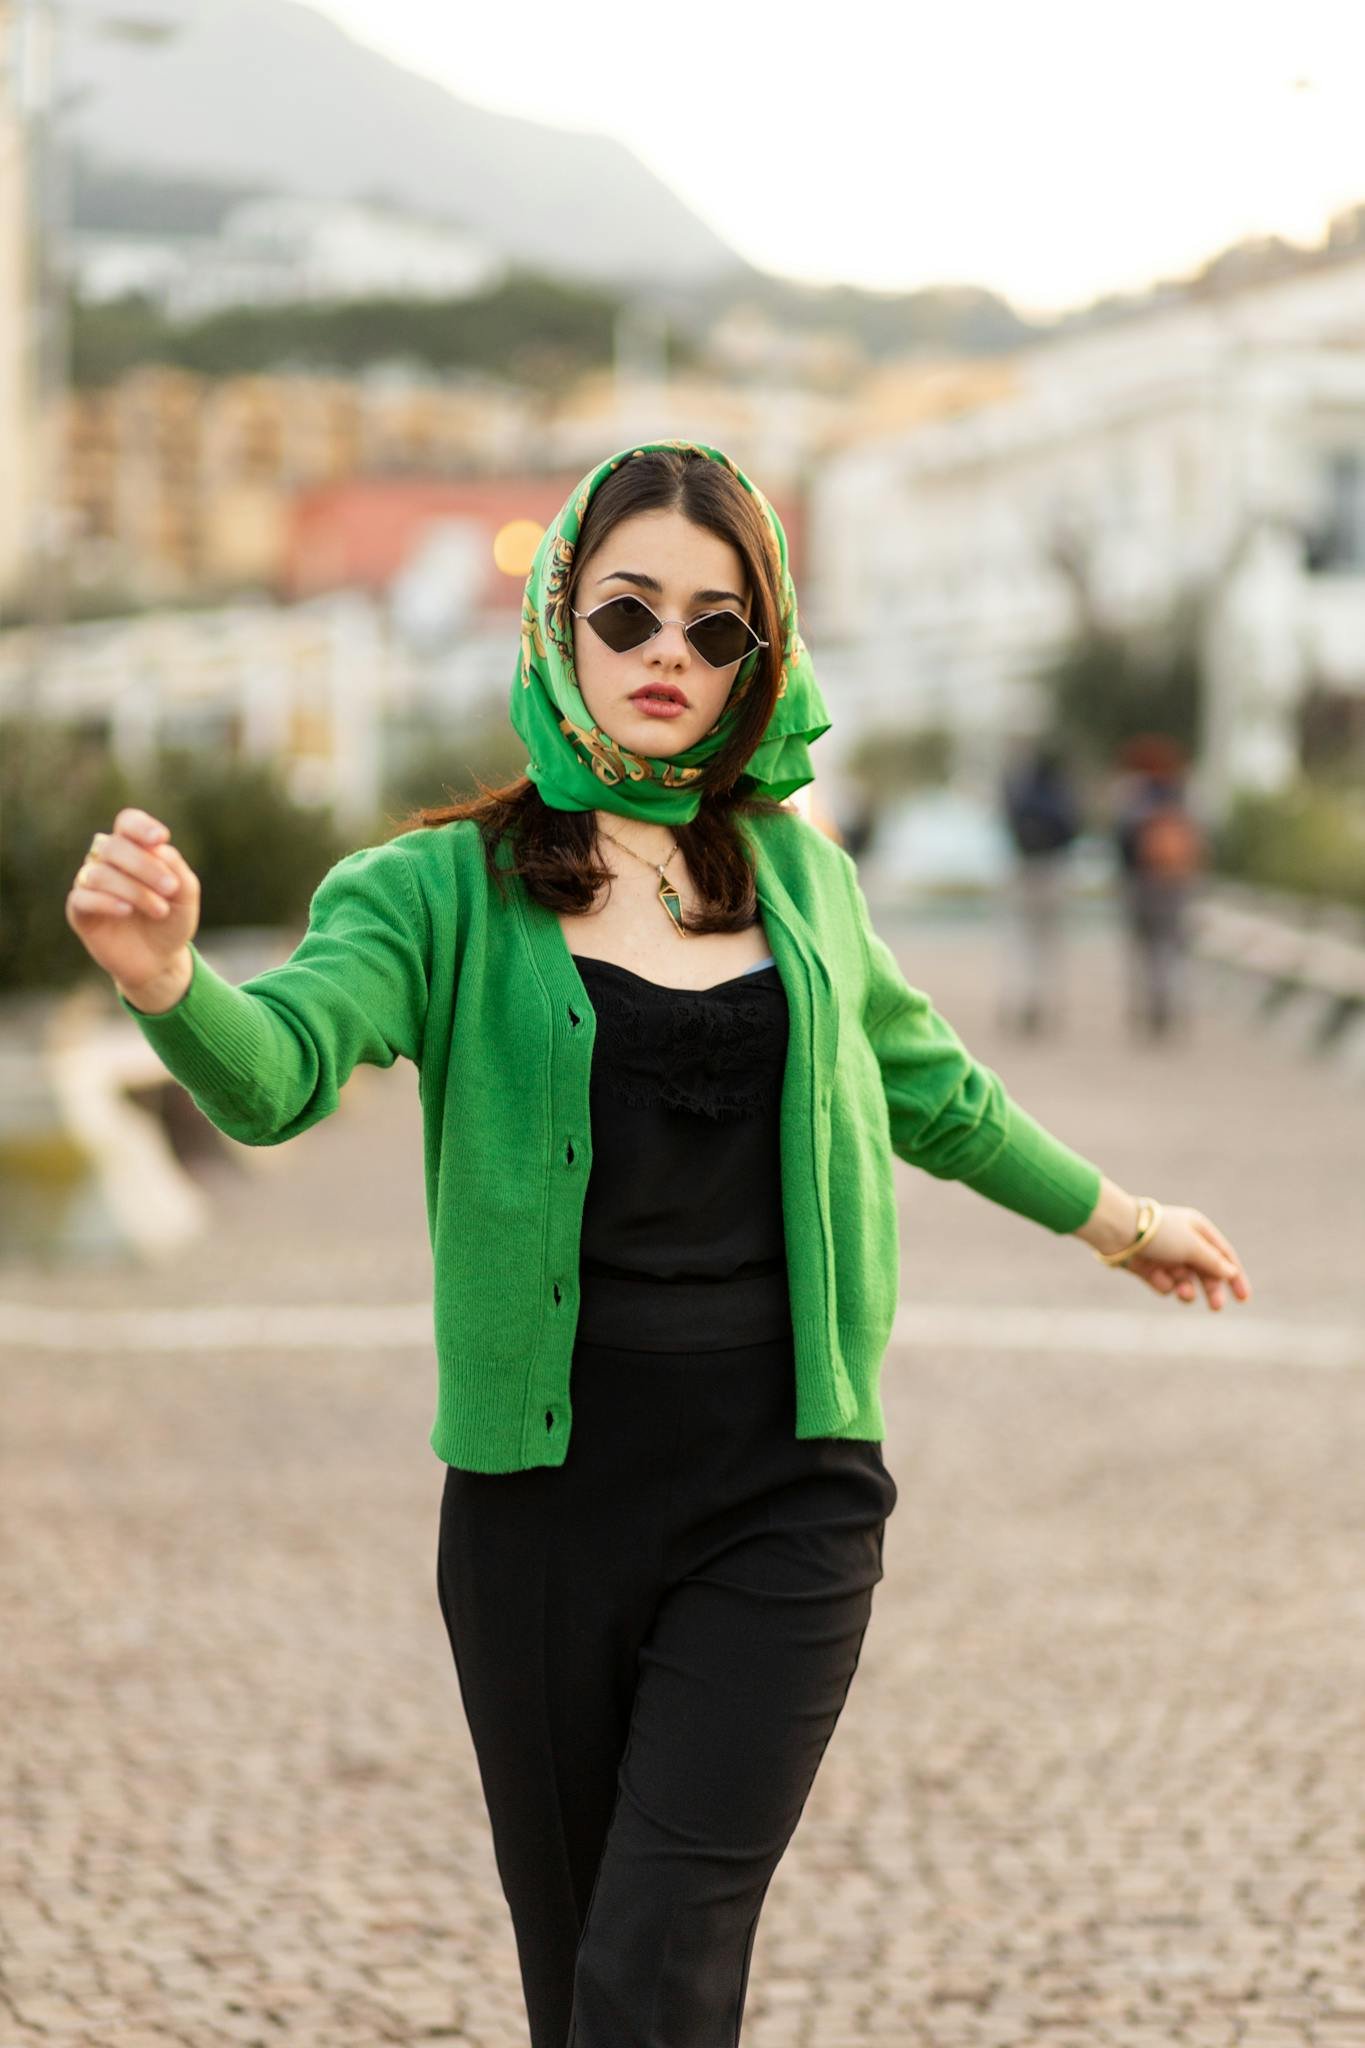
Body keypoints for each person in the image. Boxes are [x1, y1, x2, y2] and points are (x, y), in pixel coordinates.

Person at [65, 439, 1253, 2048]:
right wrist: (164, 980)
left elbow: (938, 1094)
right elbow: (277, 1076)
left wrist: (1127, 1225)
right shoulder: (435, 893)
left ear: (762, 659)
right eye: (627, 614)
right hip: (542, 1512)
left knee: (658, 1956)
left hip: (786, 1489)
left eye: (716, 627)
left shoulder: (802, 881)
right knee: (585, 1983)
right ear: (559, 622)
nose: (668, 656)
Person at [1112, 735, 1206, 1039]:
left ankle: (1148, 1004)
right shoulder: (1184, 796)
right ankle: (1167, 1002)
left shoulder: (1135, 797)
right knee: (1170, 945)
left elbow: (1122, 838)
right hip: (1175, 882)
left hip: (1141, 882)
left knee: (1142, 947)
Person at [998, 738, 1083, 1037]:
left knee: (1021, 940)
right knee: (1051, 943)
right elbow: (1072, 828)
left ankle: (1022, 998)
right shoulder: (1060, 794)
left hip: (1024, 869)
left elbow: (1008, 820)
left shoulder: (1020, 791)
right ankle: (1047, 1001)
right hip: (1053, 869)